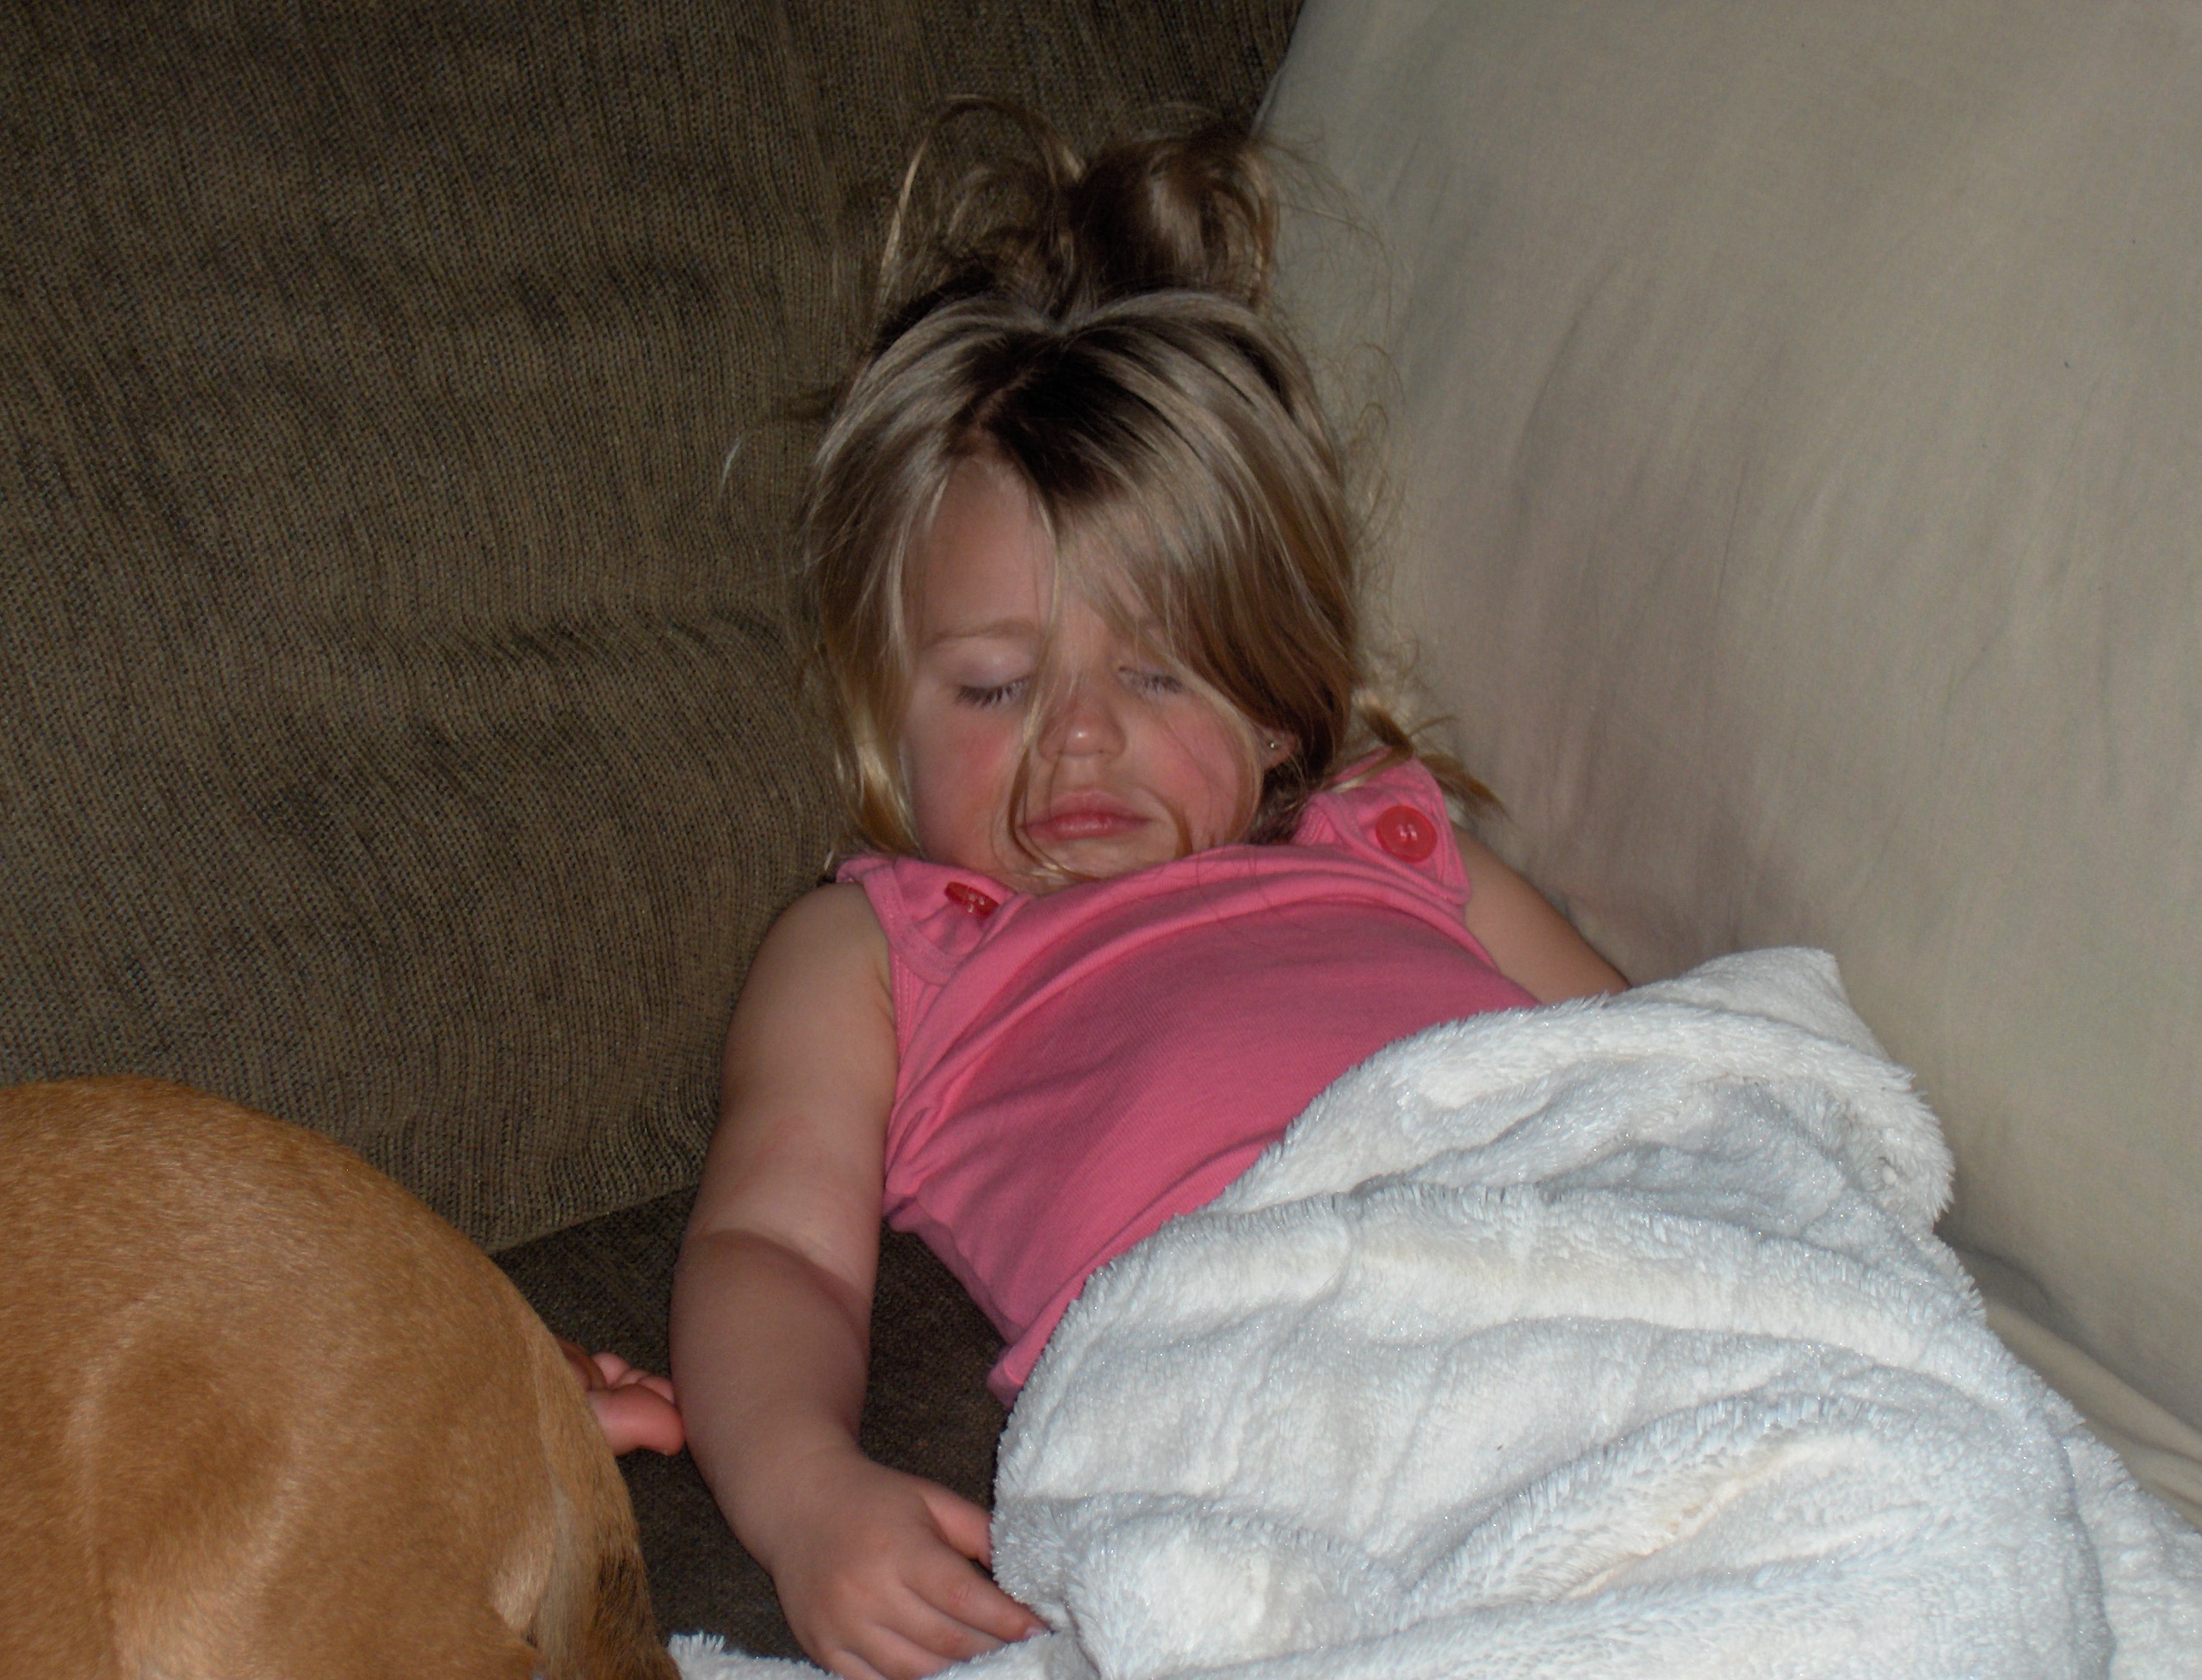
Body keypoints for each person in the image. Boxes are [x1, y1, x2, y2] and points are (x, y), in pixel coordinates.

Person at [660, 111, 1626, 1680]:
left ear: (1279, 710)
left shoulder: (1396, 844)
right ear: (888, 711)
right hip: (1269, 1377)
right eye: (995, 687)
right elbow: (775, 1250)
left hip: (1586, 1263)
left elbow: (1661, 1065)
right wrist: (802, 1496)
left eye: (1158, 672)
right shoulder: (883, 950)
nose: (1080, 739)